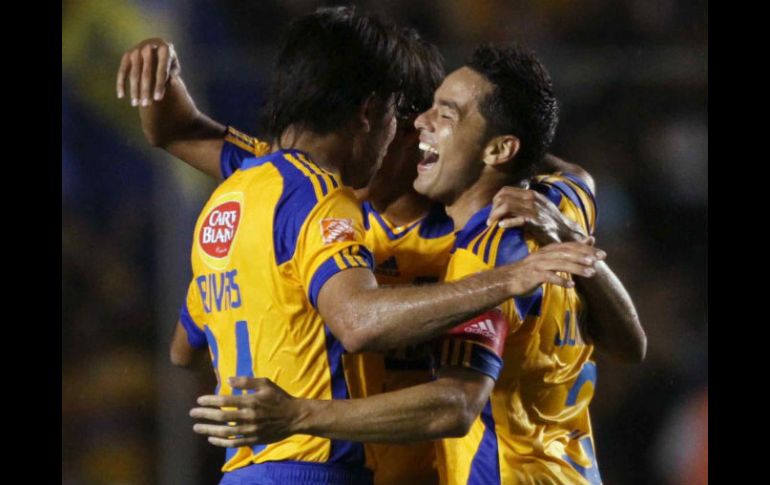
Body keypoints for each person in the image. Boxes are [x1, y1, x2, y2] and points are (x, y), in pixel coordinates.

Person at [118, 8, 604, 484]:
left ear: (412, 133)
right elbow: (176, 130)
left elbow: (618, 337)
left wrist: (559, 221)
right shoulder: (305, 191)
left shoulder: (483, 231)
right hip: (333, 464)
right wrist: (156, 62)